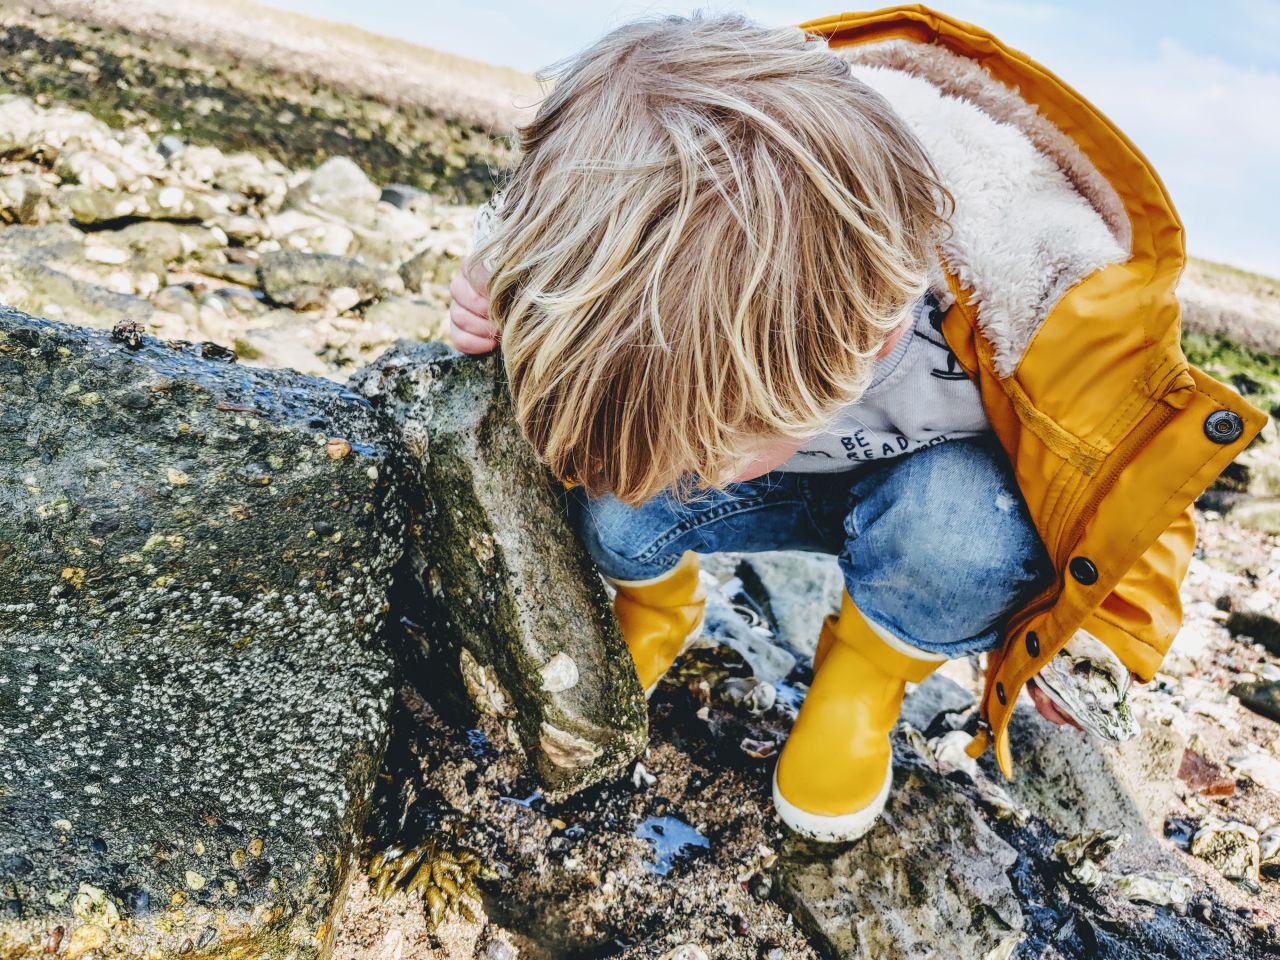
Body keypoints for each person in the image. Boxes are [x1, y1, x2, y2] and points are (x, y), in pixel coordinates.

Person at [446, 7, 1265, 842]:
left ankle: (866, 671)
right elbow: (547, 218)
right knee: (618, 485)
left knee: (965, 538)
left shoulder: (1054, 294)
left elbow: (1132, 472)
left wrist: (1105, 638)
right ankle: (657, 604)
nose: (708, 474)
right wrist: (497, 284)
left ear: (871, 345)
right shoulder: (658, 218)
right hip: (798, 471)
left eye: (725, 445)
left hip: (935, 504)